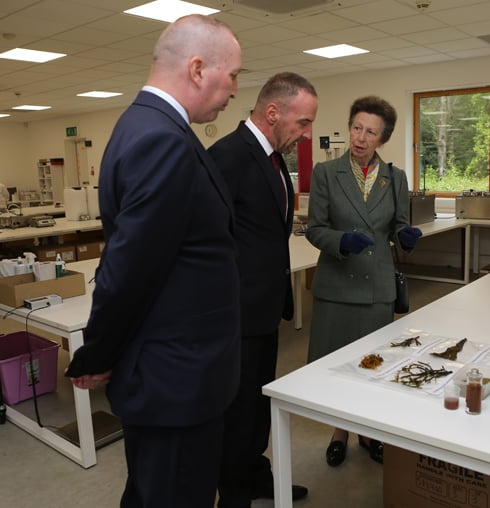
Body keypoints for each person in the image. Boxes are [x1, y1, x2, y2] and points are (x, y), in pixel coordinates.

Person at [64, 14, 243, 508]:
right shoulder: (160, 138)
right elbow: (129, 268)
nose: (233, 91)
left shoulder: (151, 126)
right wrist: (97, 355)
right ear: (198, 68)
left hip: (179, 372)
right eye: (233, 76)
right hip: (177, 377)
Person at [208, 72, 318, 507]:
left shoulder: (272, 159)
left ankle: (255, 476)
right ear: (273, 112)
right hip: (235, 315)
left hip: (265, 307)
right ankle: (233, 494)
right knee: (236, 413)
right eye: (303, 123)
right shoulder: (227, 157)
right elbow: (210, 243)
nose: (306, 135)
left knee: (257, 406)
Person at [305, 96, 422, 467]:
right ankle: (339, 431)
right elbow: (314, 229)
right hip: (337, 286)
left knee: (373, 365)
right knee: (337, 367)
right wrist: (340, 241)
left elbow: (398, 224)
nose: (360, 137)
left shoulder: (395, 177)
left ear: (382, 138)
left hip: (377, 287)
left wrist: (405, 236)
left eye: (370, 131)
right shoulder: (326, 173)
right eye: (357, 127)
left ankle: (369, 432)